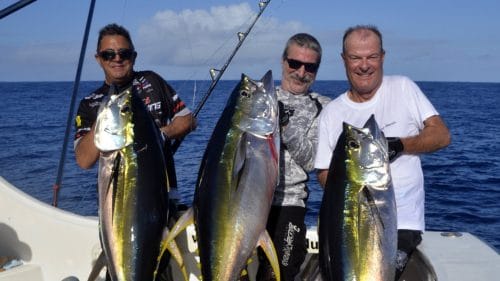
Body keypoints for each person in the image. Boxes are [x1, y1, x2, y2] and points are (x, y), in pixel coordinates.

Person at [314, 25, 451, 279]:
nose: (364, 65)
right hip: (350, 226)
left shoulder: (403, 88)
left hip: (403, 227)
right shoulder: (331, 114)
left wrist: (400, 145)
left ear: (383, 57)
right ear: (344, 59)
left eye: (371, 57)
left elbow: (442, 135)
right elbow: (323, 173)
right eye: (355, 57)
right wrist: (352, 187)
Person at [74, 23, 196, 281]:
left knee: (160, 272)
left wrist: (160, 134)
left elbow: (188, 120)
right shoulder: (90, 104)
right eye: (108, 54)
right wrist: (106, 116)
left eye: (124, 53)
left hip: (161, 204)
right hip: (118, 209)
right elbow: (84, 160)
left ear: (134, 56)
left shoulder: (152, 81)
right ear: (98, 59)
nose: (117, 59)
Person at [256, 33, 331, 281]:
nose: (301, 72)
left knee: (280, 274)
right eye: (294, 63)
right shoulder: (259, 99)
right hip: (247, 201)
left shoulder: (324, 107)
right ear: (283, 61)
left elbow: (311, 161)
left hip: (288, 206)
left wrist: (285, 125)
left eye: (310, 67)